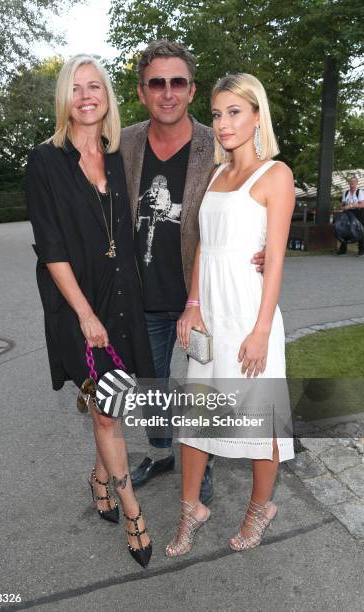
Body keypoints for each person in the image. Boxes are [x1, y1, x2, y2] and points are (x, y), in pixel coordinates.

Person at [120, 41, 266, 502]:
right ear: (142, 91)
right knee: (152, 384)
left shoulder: (217, 140)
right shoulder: (123, 143)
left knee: (204, 384)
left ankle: (197, 457)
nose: (167, 93)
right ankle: (164, 451)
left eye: (177, 82)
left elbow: (252, 191)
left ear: (191, 89)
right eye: (156, 83)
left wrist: (263, 243)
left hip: (202, 298)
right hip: (142, 295)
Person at [26, 55, 154, 568]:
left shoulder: (120, 156)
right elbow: (51, 246)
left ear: (107, 96)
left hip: (121, 300)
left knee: (113, 406)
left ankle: (100, 477)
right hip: (76, 305)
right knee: (107, 411)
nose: (85, 95)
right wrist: (83, 313)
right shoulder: (45, 161)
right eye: (75, 87)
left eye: (94, 86)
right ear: (65, 98)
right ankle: (133, 514)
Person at [165, 73, 295, 557]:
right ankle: (191, 509)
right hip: (211, 316)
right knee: (196, 418)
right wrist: (192, 305)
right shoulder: (217, 175)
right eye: (217, 114)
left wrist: (261, 330)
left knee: (260, 421)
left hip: (249, 314)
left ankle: (261, 508)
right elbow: (205, 246)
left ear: (257, 115)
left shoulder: (275, 175)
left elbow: (276, 258)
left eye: (234, 112)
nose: (223, 123)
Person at [336, 175, 364, 256]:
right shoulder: (346, 192)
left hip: (358, 213)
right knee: (344, 230)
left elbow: (362, 205)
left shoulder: (360, 192)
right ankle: (343, 249)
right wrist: (342, 207)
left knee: (359, 231)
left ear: (356, 183)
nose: (352, 183)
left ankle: (362, 250)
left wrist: (351, 206)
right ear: (349, 183)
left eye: (354, 182)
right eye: (351, 182)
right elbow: (343, 204)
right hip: (348, 213)